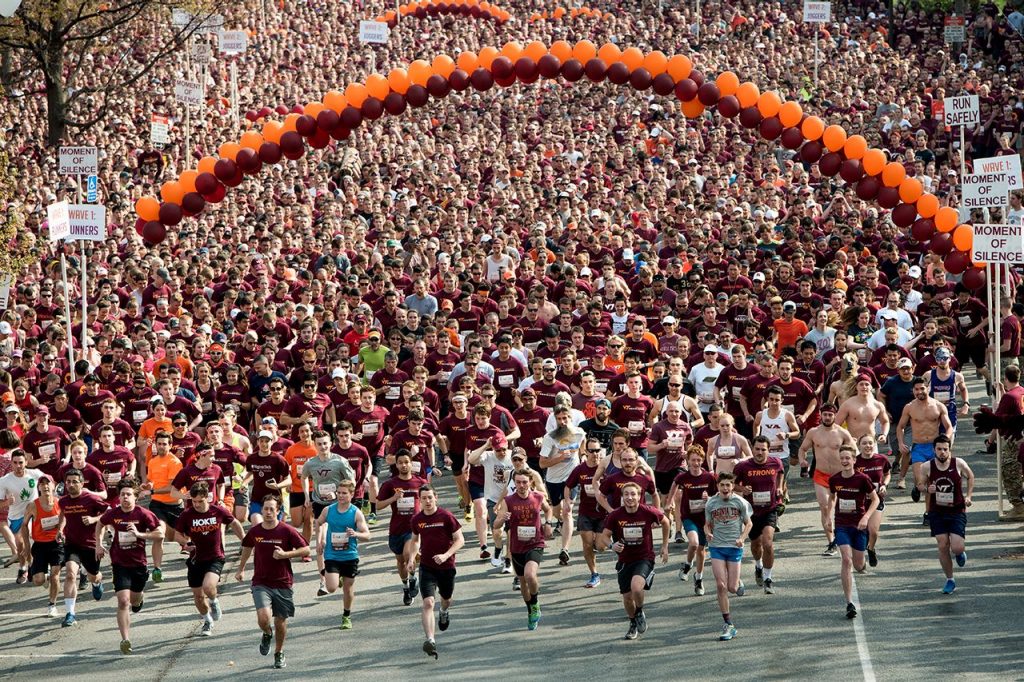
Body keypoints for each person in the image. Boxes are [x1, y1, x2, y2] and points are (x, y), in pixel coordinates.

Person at [236, 495, 311, 669]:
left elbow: (306, 549)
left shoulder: (286, 530)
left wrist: (286, 554)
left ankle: (279, 652)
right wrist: (241, 568)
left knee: (280, 622)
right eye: (265, 509)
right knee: (263, 617)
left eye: (272, 509)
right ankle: (267, 633)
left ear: (278, 511)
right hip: (261, 582)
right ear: (261, 510)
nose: (268, 512)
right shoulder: (255, 531)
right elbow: (247, 546)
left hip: (283, 583)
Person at [95, 478, 164, 655]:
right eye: (122, 495)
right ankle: (125, 639)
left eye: (128, 495)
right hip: (119, 563)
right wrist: (98, 544)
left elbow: (160, 533)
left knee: (134, 599)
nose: (124, 498)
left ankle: (140, 599)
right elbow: (100, 523)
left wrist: (140, 534)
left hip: (139, 564)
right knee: (123, 601)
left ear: (135, 497)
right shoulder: (114, 513)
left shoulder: (143, 514)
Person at [595, 481, 670, 640]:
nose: (630, 497)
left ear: (639, 496)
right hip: (624, 561)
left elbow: (666, 522)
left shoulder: (648, 511)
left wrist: (665, 546)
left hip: (644, 558)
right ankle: (632, 622)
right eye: (626, 494)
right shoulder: (615, 515)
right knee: (627, 598)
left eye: (633, 494)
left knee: (636, 588)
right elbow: (604, 537)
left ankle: (640, 611)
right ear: (622, 497)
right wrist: (611, 545)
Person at [174, 481, 245, 636]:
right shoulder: (187, 515)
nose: (197, 505)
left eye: (200, 501)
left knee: (208, 586)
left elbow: (234, 523)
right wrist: (185, 543)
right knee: (198, 597)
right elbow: (177, 535)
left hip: (215, 557)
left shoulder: (218, 511)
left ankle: (214, 601)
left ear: (207, 497)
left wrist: (244, 540)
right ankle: (207, 620)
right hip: (195, 559)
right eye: (194, 501)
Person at [492, 469, 555, 631]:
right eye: (518, 482)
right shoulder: (508, 500)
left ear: (530, 482)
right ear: (514, 483)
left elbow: (548, 510)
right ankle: (530, 610)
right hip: (516, 546)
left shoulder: (538, 497)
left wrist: (548, 523)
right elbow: (496, 525)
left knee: (530, 575)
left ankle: (535, 603)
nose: (521, 485)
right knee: (522, 582)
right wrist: (502, 518)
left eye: (524, 482)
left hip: (535, 543)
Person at [408, 484, 465, 659]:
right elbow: (415, 540)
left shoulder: (446, 516)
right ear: (420, 500)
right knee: (428, 603)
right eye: (423, 498)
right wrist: (411, 557)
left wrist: (446, 555)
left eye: (430, 497)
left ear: (436, 498)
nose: (427, 501)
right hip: (427, 566)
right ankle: (430, 640)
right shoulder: (417, 519)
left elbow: (460, 540)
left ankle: (444, 612)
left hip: (446, 567)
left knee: (446, 599)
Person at [826, 445, 880, 619]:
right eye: (842, 458)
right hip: (842, 524)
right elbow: (832, 497)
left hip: (859, 526)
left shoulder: (862, 479)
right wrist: (828, 516)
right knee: (846, 560)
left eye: (848, 458)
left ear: (854, 460)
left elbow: (875, 499)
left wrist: (866, 518)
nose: (844, 461)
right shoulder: (835, 479)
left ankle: (867, 554)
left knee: (858, 564)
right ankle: (849, 603)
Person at [798, 404, 855, 555]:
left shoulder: (842, 433)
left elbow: (854, 452)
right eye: (825, 415)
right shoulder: (813, 432)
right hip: (821, 475)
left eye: (830, 415)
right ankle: (831, 542)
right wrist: (802, 461)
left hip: (840, 476)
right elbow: (802, 449)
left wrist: (850, 466)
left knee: (843, 508)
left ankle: (847, 535)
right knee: (825, 508)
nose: (827, 417)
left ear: (835, 415)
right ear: (821, 415)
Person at [314, 479, 371, 631]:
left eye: (344, 493)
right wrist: (319, 541)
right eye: (338, 493)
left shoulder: (355, 513)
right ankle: (334, 576)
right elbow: (318, 522)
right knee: (331, 587)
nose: (340, 496)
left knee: (348, 589)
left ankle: (346, 616)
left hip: (350, 556)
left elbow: (367, 535)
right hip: (332, 554)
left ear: (351, 495)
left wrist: (356, 533)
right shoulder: (329, 510)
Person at [897, 377, 954, 524]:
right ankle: (917, 487)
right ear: (913, 391)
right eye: (916, 389)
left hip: (933, 447)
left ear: (928, 388)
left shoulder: (938, 406)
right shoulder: (909, 407)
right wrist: (901, 442)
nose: (919, 392)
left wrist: (945, 441)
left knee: (930, 483)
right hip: (918, 448)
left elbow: (948, 427)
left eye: (922, 388)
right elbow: (900, 427)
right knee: (921, 481)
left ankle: (928, 513)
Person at [376, 450, 428, 605]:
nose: (404, 465)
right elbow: (378, 505)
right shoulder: (390, 484)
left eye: (407, 462)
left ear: (411, 463)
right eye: (401, 463)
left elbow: (429, 502)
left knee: (408, 554)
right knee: (400, 562)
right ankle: (406, 586)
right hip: (396, 529)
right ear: (396, 465)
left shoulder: (420, 482)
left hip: (413, 528)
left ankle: (413, 578)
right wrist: (394, 497)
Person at [704, 472, 752, 641]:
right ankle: (728, 623)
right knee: (720, 585)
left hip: (734, 547)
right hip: (716, 546)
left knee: (732, 587)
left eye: (728, 485)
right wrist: (708, 533)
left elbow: (749, 523)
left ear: (732, 486)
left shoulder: (739, 502)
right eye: (722, 485)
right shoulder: (711, 503)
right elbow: (707, 524)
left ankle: (737, 583)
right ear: (717, 486)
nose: (725, 488)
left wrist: (742, 538)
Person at [733, 436, 784, 594]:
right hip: (751, 511)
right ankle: (758, 566)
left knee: (768, 543)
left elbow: (781, 474)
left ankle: (768, 578)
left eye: (763, 449)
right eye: (757, 449)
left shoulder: (775, 463)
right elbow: (730, 484)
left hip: (770, 509)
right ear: (752, 449)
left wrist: (780, 488)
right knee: (756, 545)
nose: (760, 452)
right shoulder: (743, 466)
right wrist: (742, 490)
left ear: (768, 450)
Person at [57, 468, 107, 625]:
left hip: (90, 544)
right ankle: (70, 613)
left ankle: (97, 582)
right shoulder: (63, 501)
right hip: (72, 544)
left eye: (74, 482)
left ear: (81, 483)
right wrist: (60, 529)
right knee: (71, 574)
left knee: (94, 575)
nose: (71, 484)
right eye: (68, 482)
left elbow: (109, 513)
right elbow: (63, 514)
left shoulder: (91, 498)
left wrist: (94, 519)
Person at [925, 435, 974, 595]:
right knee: (942, 544)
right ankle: (950, 579)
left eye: (945, 449)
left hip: (956, 511)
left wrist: (968, 496)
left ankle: (959, 553)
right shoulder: (927, 466)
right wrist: (926, 489)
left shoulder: (958, 463)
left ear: (949, 450)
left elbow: (971, 476)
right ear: (934, 450)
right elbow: (919, 484)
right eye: (939, 449)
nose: (942, 452)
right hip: (937, 512)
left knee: (957, 547)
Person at [538, 405, 584, 566]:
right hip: (553, 480)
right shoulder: (550, 437)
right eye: (559, 419)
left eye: (565, 418)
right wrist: (559, 458)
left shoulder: (579, 433)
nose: (563, 422)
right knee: (558, 511)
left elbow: (581, 448)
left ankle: (564, 549)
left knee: (567, 511)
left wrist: (583, 458)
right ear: (555, 420)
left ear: (570, 418)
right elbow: (542, 463)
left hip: (571, 478)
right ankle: (561, 523)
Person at [668, 445, 717, 595]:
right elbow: (675, 484)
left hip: (704, 518)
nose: (696, 463)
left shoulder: (708, 477)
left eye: (698, 460)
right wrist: (669, 501)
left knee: (701, 550)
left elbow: (716, 497)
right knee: (694, 543)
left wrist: (708, 498)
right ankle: (688, 564)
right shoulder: (683, 477)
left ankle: (698, 578)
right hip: (688, 516)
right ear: (687, 461)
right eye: (693, 460)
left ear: (702, 461)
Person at [563, 437, 608, 588]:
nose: (595, 454)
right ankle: (594, 574)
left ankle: (599, 541)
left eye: (597, 450)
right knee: (587, 544)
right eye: (592, 451)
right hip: (586, 512)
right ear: (586, 452)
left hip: (603, 513)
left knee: (601, 547)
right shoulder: (580, 469)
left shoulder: (605, 468)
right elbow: (568, 486)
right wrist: (567, 502)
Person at [19, 475, 62, 618]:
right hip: (40, 545)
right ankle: (46, 577)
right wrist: (26, 546)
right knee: (38, 581)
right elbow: (24, 526)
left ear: (53, 486)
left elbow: (67, 521)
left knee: (56, 573)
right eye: (41, 484)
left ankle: (52, 605)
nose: (45, 486)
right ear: (38, 488)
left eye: (47, 483)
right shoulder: (32, 506)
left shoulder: (60, 503)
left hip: (57, 544)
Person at [0, 450, 46, 584]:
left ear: (26, 462)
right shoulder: (4, 481)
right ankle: (24, 566)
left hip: (34, 513)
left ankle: (36, 566)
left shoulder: (35, 474)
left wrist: (47, 492)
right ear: (11, 463)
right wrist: (7, 503)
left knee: (26, 537)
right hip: (15, 516)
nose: (18, 466)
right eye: (15, 463)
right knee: (20, 544)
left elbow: (50, 481)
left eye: (21, 462)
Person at [853, 434, 891, 567]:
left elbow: (887, 474)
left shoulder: (882, 459)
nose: (868, 446)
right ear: (859, 446)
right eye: (864, 443)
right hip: (860, 501)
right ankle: (861, 552)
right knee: (861, 530)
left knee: (873, 531)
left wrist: (884, 485)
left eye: (870, 443)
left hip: (877, 500)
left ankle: (871, 549)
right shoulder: (855, 462)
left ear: (874, 444)